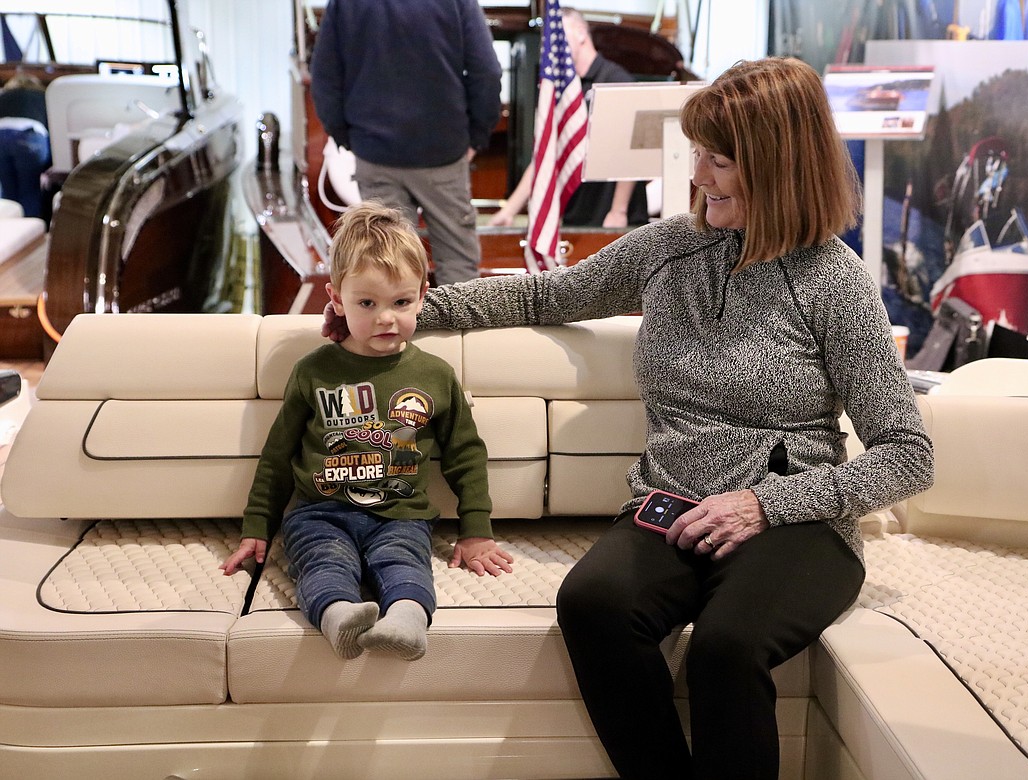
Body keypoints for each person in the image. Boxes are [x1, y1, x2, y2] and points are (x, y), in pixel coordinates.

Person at [324, 57, 934, 777]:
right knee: (592, 604)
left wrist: (765, 505)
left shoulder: (836, 283)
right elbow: (541, 297)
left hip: (795, 525)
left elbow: (907, 453)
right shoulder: (669, 249)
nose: (698, 175)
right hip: (668, 507)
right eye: (698, 154)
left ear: (779, 165)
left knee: (726, 647)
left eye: (718, 160)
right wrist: (400, 313)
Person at [224, 201, 514, 661]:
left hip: (402, 514)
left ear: (423, 294)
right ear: (336, 298)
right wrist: (257, 525)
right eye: (367, 303)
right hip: (319, 513)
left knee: (405, 564)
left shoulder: (436, 375)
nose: (386, 318)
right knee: (321, 562)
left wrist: (476, 529)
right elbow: (277, 456)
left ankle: (407, 622)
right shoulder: (312, 371)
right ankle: (338, 616)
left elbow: (465, 453)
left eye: (401, 302)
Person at [309, 0, 502, 286]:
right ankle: (458, 331)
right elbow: (487, 71)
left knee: (388, 264)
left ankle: (397, 331)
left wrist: (346, 136)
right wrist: (477, 135)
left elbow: (324, 76)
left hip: (374, 153)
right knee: (458, 265)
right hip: (443, 152)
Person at [488, 7, 649, 229]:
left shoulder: (617, 81)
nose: (551, 47)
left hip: (614, 216)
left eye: (558, 36)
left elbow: (632, 151)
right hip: (576, 215)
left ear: (582, 33)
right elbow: (545, 155)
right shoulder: (561, 92)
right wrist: (509, 210)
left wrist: (618, 211)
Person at [0, 72, 50, 220]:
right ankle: (31, 234)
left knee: (8, 194)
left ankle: (9, 233)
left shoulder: (3, 96)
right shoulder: (43, 97)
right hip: (30, 136)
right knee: (30, 191)